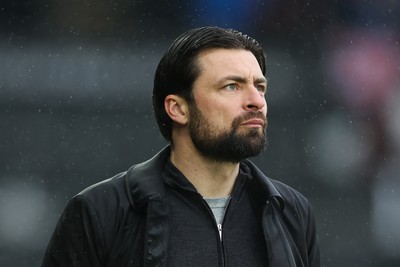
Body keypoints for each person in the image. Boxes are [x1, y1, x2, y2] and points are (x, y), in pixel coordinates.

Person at [42, 26, 321, 267]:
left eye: (259, 87)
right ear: (178, 109)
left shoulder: (290, 212)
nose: (256, 101)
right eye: (231, 87)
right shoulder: (101, 211)